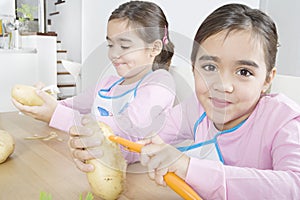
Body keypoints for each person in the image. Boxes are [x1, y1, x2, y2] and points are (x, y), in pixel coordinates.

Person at [139, 3, 300, 199]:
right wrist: (104, 143)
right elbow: (145, 137)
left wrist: (189, 167)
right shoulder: (196, 108)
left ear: (267, 79)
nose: (223, 86)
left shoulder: (283, 120)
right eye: (209, 67)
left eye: (244, 72)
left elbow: (295, 186)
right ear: (193, 68)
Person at [12, 1, 176, 164]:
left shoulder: (160, 83)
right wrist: (43, 99)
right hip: (95, 165)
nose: (113, 54)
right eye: (110, 45)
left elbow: (126, 132)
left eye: (124, 46)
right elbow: (70, 106)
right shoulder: (107, 85)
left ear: (154, 48)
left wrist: (55, 114)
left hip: (140, 178)